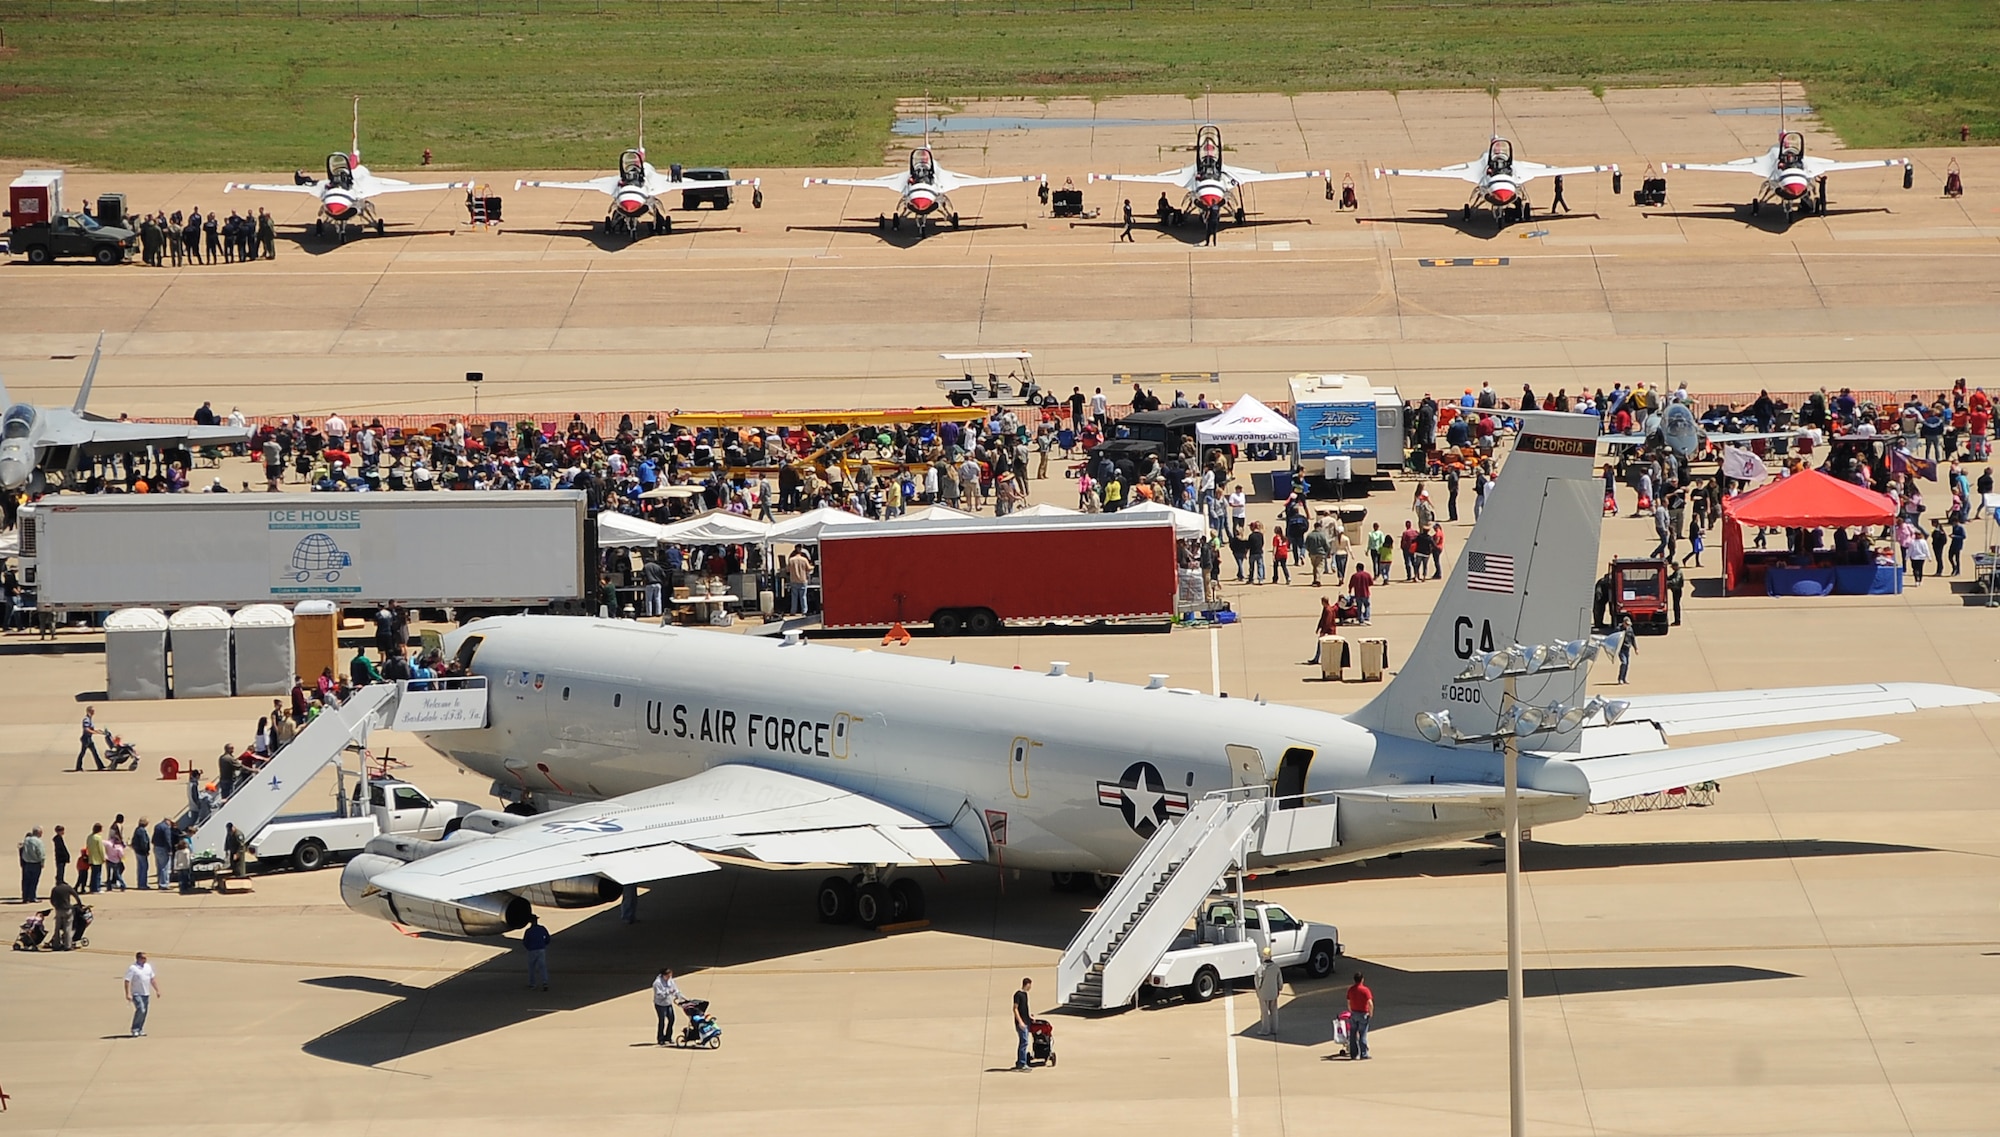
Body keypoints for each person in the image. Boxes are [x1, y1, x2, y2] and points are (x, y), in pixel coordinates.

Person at [124, 951, 161, 1037]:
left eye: (146, 958)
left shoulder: (148, 967)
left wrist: (157, 990)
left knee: (144, 1012)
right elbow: (127, 981)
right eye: (143, 958)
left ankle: (140, 1029)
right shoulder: (133, 968)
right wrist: (128, 994)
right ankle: (135, 1029)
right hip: (136, 993)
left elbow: (152, 979)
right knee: (141, 1009)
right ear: (138, 958)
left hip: (146, 993)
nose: (145, 959)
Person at [653, 967, 684, 1045]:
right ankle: (660, 1038)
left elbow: (675, 990)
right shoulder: (657, 983)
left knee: (672, 1019)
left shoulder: (670, 980)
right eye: (668, 976)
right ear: (664, 975)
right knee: (662, 1021)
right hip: (660, 1004)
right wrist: (668, 992)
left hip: (668, 1003)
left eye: (670, 976)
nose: (669, 978)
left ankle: (668, 1037)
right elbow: (658, 995)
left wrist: (680, 996)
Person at [1345, 972, 1374, 1059]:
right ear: (1362, 979)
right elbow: (1370, 1003)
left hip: (1354, 1013)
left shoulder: (1350, 989)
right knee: (1363, 1034)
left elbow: (1349, 1002)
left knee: (1353, 1035)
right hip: (1363, 1014)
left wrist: (1351, 1011)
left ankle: (1353, 1054)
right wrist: (1371, 1013)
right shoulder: (1365, 990)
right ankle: (1363, 1054)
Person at [1255, 947, 1282, 1036]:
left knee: (1265, 1012)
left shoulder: (1261, 969)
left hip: (1263, 994)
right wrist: (1279, 988)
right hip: (1273, 993)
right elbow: (1280, 981)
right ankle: (1274, 1029)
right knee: (1274, 1011)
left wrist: (1258, 990)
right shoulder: (1276, 968)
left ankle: (1265, 1030)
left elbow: (1258, 982)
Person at [1307, 595, 1340, 665]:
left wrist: (1323, 632)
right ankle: (1316, 658)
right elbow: (1322, 619)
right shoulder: (1326, 609)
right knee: (1320, 645)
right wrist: (1318, 628)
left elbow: (1327, 622)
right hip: (1326, 631)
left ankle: (1321, 659)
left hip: (1329, 632)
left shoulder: (1328, 610)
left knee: (1325, 646)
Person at [1012, 977, 1036, 1071]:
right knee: (1024, 1042)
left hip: (1026, 1021)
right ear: (1028, 984)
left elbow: (1024, 1008)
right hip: (1021, 1023)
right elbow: (1015, 1008)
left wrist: (1029, 1016)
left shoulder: (1025, 994)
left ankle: (1020, 1062)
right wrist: (1020, 1021)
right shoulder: (1018, 995)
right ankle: (1022, 1063)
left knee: (1024, 1042)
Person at [523, 914, 551, 991]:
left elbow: (525, 942)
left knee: (532, 967)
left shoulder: (528, 931)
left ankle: (532, 984)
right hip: (541, 949)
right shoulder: (542, 928)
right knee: (542, 966)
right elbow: (548, 938)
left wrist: (528, 948)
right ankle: (545, 982)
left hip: (532, 950)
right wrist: (544, 944)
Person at [19, 826, 46, 903]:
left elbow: (22, 849)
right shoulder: (38, 841)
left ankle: (25, 898)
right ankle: (32, 897)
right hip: (35, 863)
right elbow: (41, 853)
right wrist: (42, 862)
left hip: (27, 863)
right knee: (34, 881)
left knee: (26, 881)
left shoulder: (26, 840)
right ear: (39, 833)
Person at [786, 545, 814, 616]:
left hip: (793, 580)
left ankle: (793, 611)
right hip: (802, 580)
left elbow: (787, 570)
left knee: (794, 597)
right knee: (803, 597)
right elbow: (809, 568)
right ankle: (804, 611)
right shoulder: (804, 560)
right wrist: (813, 566)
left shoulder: (791, 560)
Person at [50, 877, 76, 950]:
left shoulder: (55, 889)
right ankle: (67, 945)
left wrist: (55, 906)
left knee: (57, 927)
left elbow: (52, 900)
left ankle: (56, 945)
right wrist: (80, 905)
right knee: (67, 927)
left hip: (58, 910)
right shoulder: (67, 888)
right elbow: (76, 896)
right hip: (67, 909)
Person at [77, 706, 106, 771]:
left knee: (94, 752)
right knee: (83, 753)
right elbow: (86, 729)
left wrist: (99, 731)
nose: (93, 712)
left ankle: (100, 766)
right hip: (86, 739)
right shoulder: (86, 719)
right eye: (92, 711)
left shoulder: (90, 719)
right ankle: (78, 767)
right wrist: (94, 732)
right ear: (88, 711)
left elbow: (91, 728)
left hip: (89, 739)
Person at [1616, 615, 1636, 684]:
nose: (1627, 626)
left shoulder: (1630, 629)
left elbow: (1633, 639)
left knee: (1627, 664)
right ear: (1623, 623)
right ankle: (1620, 678)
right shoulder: (1618, 629)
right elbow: (1615, 638)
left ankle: (1624, 678)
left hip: (1627, 648)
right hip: (1621, 649)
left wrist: (1636, 648)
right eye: (1626, 624)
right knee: (1624, 663)